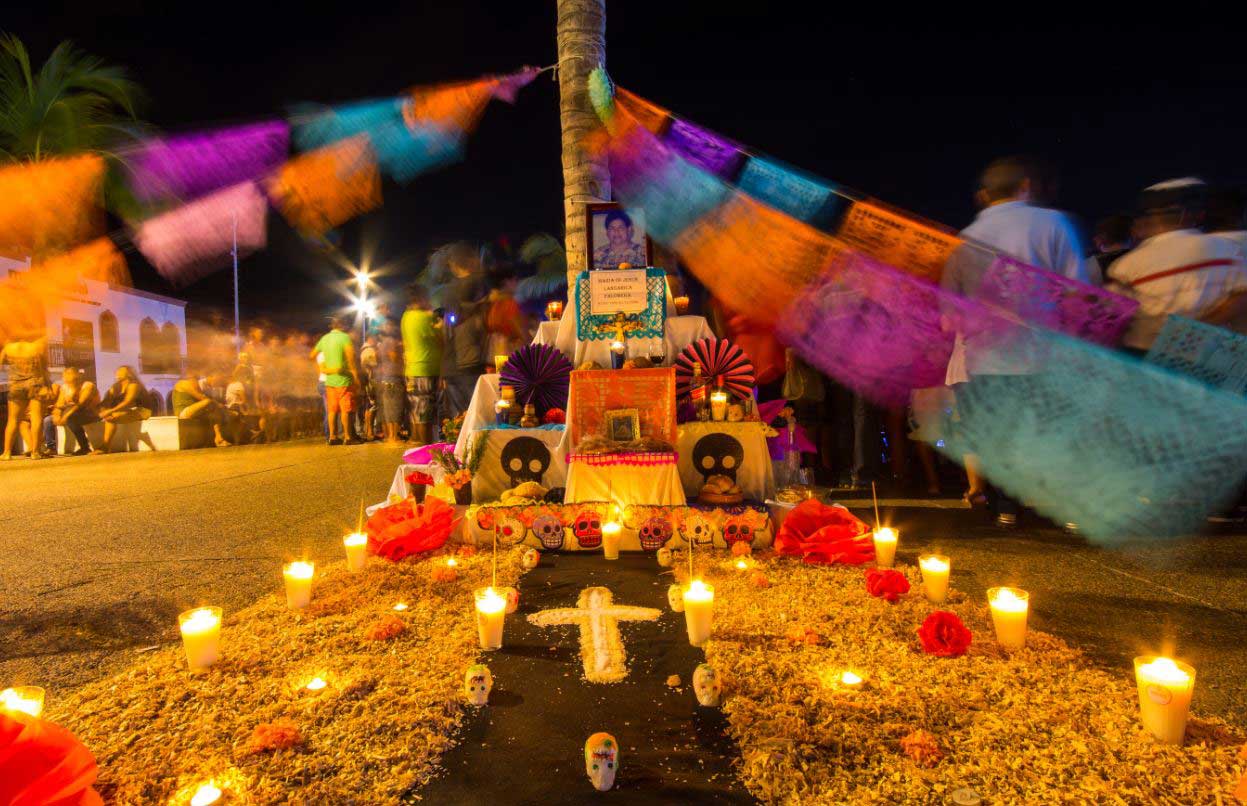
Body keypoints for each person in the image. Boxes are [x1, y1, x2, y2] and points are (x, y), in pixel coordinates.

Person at [942, 156, 1092, 527]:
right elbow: (1078, 292)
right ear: (1025, 185)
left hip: (985, 354)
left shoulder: (965, 238)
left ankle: (1006, 504)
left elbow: (949, 308)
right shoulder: (1054, 223)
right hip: (1043, 350)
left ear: (984, 196)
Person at [1107, 179, 1247, 351]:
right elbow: (1241, 297)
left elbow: (1112, 318)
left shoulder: (1125, 266)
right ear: (1188, 215)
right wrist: (1200, 327)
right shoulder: (1227, 249)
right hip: (1211, 359)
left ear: (1149, 218)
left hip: (1146, 358)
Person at [401, 284, 443, 445]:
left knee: (417, 411)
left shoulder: (406, 317)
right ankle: (427, 448)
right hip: (427, 368)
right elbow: (441, 338)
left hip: (412, 369)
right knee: (426, 412)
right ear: (420, 298)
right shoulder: (425, 317)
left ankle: (418, 444)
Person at [310, 316, 360, 445]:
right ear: (342, 326)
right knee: (345, 410)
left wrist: (325, 367)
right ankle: (348, 437)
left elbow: (312, 355)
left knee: (332, 410)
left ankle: (332, 437)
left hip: (329, 381)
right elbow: (351, 360)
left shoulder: (324, 338)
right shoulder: (344, 337)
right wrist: (355, 377)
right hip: (343, 379)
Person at [1, 334, 50, 460]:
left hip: (16, 384)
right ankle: (35, 452)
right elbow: (44, 369)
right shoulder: (37, 346)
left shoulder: (8, 348)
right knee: (36, 418)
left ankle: (7, 453)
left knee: (13, 420)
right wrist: (48, 385)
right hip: (35, 383)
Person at [97, 366, 155, 454]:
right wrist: (103, 410)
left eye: (121, 371)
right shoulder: (116, 386)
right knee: (110, 417)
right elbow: (107, 400)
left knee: (114, 415)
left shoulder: (133, 384)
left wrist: (110, 411)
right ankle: (105, 446)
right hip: (127, 411)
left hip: (143, 410)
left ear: (128, 374)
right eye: (117, 370)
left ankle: (105, 447)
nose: (118, 372)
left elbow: (127, 402)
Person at [172, 369, 232, 448]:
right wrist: (218, 404)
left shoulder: (193, 384)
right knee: (208, 402)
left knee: (213, 413)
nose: (196, 383)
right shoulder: (182, 384)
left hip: (193, 411)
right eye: (195, 379)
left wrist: (218, 407)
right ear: (191, 378)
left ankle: (219, 438)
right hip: (183, 412)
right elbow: (201, 397)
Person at [50, 367, 100, 455]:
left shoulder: (87, 385)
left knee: (71, 420)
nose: (65, 376)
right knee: (48, 420)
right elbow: (59, 404)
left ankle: (85, 447)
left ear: (76, 375)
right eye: (64, 374)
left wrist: (66, 415)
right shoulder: (64, 387)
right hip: (71, 412)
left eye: (68, 374)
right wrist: (57, 414)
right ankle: (51, 447)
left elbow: (81, 403)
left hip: (89, 413)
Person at [374, 320, 405, 443]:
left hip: (383, 378)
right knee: (396, 408)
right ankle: (394, 436)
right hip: (394, 377)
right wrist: (400, 355)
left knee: (387, 409)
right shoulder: (392, 342)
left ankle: (388, 436)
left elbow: (377, 358)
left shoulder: (380, 344)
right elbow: (393, 356)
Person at [1089, 214, 1135, 280]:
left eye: (1097, 234)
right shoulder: (1142, 257)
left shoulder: (1091, 264)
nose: (1094, 239)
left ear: (1103, 236)